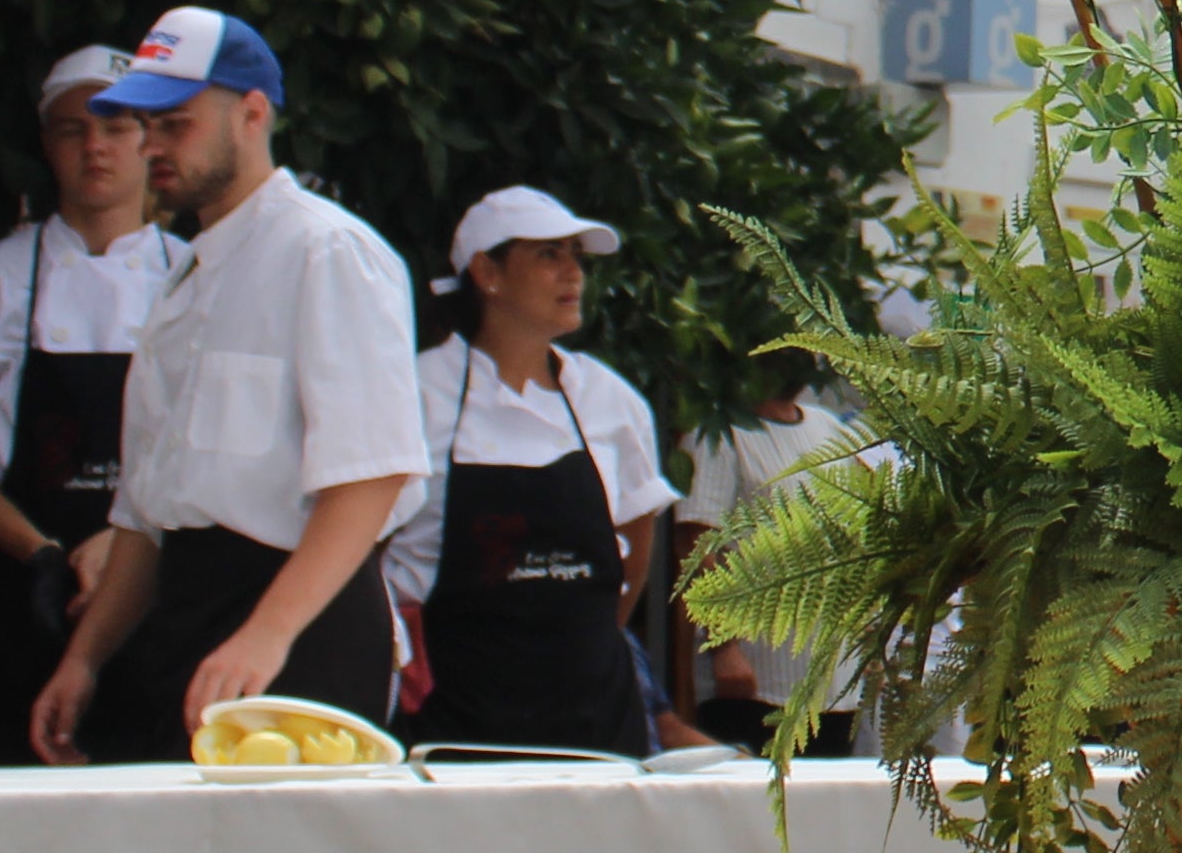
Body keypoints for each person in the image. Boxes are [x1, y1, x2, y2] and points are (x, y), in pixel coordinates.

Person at [28, 11, 421, 761]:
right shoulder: (186, 276)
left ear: (252, 113)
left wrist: (267, 635)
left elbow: (373, 477)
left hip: (301, 631)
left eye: (174, 124)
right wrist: (85, 658)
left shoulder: (327, 251)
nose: (152, 149)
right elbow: (148, 512)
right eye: (147, 126)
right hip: (195, 626)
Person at [0, 48, 187, 768]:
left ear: (151, 141)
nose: (94, 146)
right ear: (45, 145)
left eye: (116, 126)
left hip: (160, 605)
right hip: (7, 603)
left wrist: (124, 550)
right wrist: (48, 556)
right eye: (71, 129)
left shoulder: (198, 283)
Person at [373, 189, 675, 756]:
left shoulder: (608, 399)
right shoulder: (417, 395)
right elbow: (367, 548)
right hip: (459, 728)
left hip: (598, 728)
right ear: (487, 272)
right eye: (548, 255)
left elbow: (638, 535)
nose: (573, 273)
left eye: (575, 256)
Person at [677, 348, 876, 750]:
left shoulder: (830, 429)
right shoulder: (720, 431)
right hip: (756, 683)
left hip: (835, 681)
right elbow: (698, 543)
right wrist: (724, 646)